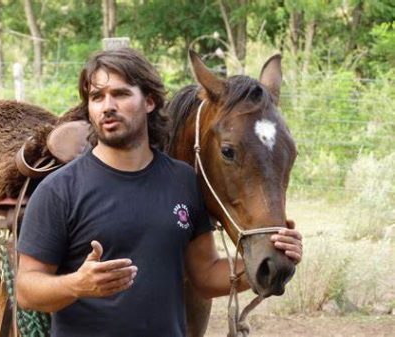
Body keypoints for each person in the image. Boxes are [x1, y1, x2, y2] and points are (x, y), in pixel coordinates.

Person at [16, 48, 303, 337]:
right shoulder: (59, 190)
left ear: (150, 101)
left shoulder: (183, 182)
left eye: (121, 94)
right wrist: (76, 285)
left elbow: (205, 276)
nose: (107, 106)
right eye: (97, 97)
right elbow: (26, 290)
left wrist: (269, 259)